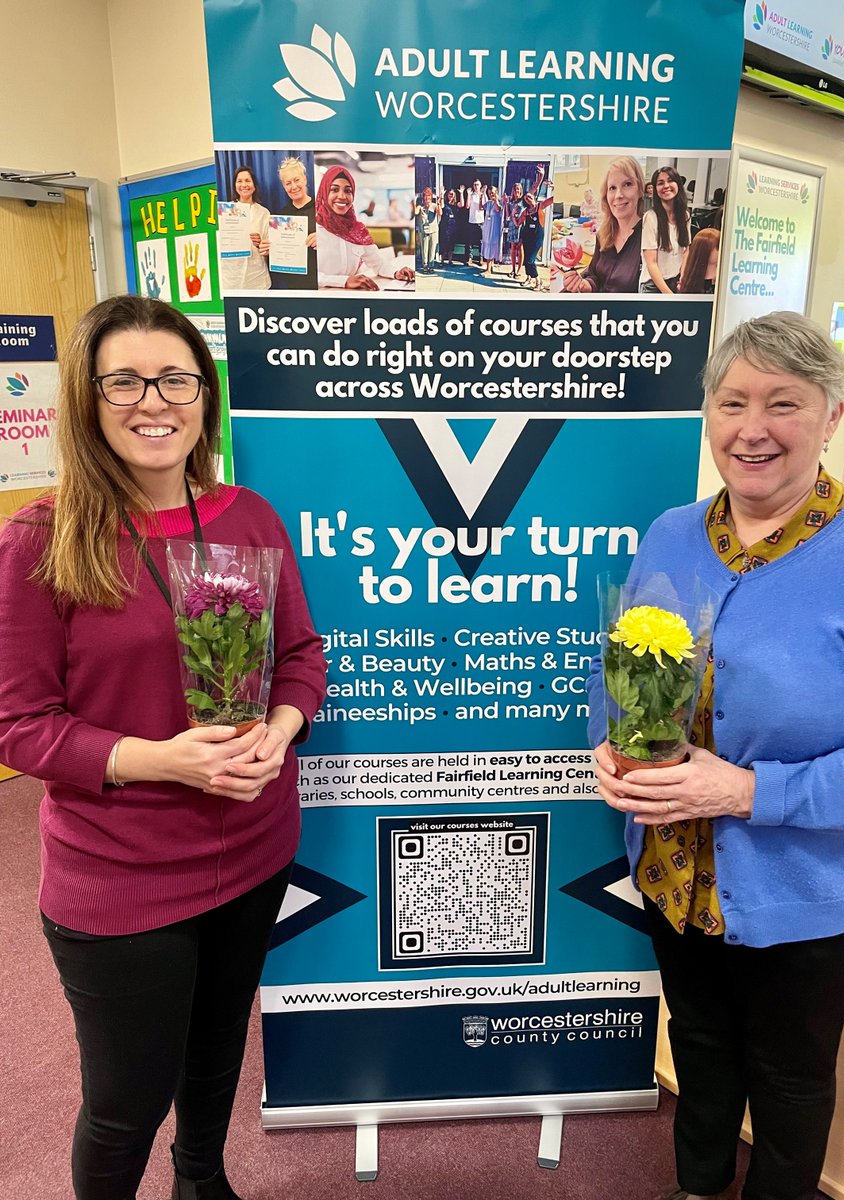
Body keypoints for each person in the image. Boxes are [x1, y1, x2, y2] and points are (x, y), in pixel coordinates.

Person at [0, 295, 327, 1200]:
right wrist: (164, 759)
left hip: (254, 850)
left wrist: (283, 728)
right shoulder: (40, 538)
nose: (155, 400)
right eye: (126, 381)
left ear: (205, 397)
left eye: (176, 378)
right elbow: (17, 725)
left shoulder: (247, 516)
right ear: (88, 399)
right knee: (126, 1101)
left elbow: (300, 657)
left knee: (218, 1055)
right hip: (121, 876)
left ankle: (202, 1183)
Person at [587, 311, 844, 1200]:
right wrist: (615, 748)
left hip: (806, 898)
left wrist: (745, 790)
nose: (751, 428)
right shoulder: (672, 533)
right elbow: (634, 678)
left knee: (792, 1083)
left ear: (832, 414)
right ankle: (695, 1189)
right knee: (701, 1051)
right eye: (731, 402)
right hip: (673, 876)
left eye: (783, 404)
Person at [315, 165, 415, 291]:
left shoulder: (357, 231)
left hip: (351, 299)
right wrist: (343, 281)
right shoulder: (312, 229)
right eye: (334, 190)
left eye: (348, 191)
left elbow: (378, 264)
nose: (342, 196)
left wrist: (396, 273)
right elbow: (303, 276)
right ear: (324, 193)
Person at [562, 156, 644, 294]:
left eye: (627, 184)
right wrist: (584, 285)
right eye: (612, 188)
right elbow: (595, 275)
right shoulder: (603, 234)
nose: (618, 195)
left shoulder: (650, 237)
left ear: (640, 190)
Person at [261, 155, 318, 289]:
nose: (293, 186)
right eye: (288, 183)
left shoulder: (321, 210)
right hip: (292, 285)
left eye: (296, 180)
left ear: (305, 179)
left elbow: (338, 244)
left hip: (320, 284)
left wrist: (324, 238)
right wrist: (269, 249)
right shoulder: (280, 218)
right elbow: (276, 253)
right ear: (283, 186)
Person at [640, 165, 692, 293]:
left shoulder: (685, 215)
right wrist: (669, 296)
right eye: (660, 183)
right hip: (653, 285)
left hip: (675, 281)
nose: (666, 186)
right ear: (655, 189)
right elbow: (651, 263)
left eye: (670, 180)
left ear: (678, 184)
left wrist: (683, 277)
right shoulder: (651, 218)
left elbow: (686, 249)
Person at [219, 165, 270, 291]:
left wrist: (261, 243)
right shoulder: (224, 211)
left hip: (257, 278)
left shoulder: (263, 213)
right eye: (239, 181)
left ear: (254, 185)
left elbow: (270, 245)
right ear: (235, 185)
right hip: (231, 278)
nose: (244, 185)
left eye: (247, 180)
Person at [514, 181, 554, 291]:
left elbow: (552, 200)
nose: (528, 199)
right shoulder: (526, 211)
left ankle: (538, 281)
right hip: (527, 237)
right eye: (526, 199)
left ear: (534, 198)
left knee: (530, 260)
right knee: (526, 258)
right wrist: (513, 216)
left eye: (530, 197)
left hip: (537, 238)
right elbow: (518, 223)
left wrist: (553, 187)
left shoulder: (540, 206)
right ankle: (529, 278)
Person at [678, 228, 720, 294]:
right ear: (705, 251)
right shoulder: (690, 283)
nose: (721, 251)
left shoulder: (724, 280)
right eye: (718, 248)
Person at [414, 187, 440, 275]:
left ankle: (431, 266)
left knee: (432, 249)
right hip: (424, 232)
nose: (427, 199)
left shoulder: (434, 205)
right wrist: (414, 200)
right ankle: (425, 266)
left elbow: (440, 213)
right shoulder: (420, 206)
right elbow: (415, 212)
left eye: (428, 197)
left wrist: (439, 203)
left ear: (431, 197)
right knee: (424, 250)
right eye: (425, 197)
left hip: (433, 231)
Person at [503, 181, 526, 278]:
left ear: (520, 191)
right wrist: (506, 204)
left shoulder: (523, 201)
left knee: (520, 247)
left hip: (521, 225)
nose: (516, 191)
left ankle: (519, 270)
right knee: (513, 247)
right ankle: (512, 269)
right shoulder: (511, 201)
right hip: (512, 225)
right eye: (515, 189)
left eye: (518, 189)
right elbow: (508, 216)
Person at [479, 184, 503, 275]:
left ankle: (488, 269)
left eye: (492, 193)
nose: (491, 195)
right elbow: (481, 207)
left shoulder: (499, 202)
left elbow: (497, 209)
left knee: (491, 246)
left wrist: (496, 199)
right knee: (487, 244)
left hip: (494, 228)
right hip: (487, 227)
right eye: (489, 193)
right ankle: (490, 267)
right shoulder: (488, 203)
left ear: (496, 193)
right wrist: (482, 196)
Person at [438, 188, 464, 265]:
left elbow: (462, 204)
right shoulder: (445, 204)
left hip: (453, 226)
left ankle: (450, 260)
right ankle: (442, 260)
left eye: (452, 194)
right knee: (444, 243)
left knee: (451, 243)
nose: (451, 195)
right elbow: (441, 205)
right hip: (445, 225)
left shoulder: (456, 204)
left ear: (454, 195)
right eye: (449, 194)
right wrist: (442, 194)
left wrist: (461, 193)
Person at [464, 179, 484, 265]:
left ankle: (481, 258)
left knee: (481, 241)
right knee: (470, 241)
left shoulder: (484, 195)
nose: (476, 186)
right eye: (475, 184)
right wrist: (468, 195)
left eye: (477, 185)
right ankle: (470, 258)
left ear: (480, 186)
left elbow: (482, 208)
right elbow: (467, 206)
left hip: (480, 221)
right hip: (471, 221)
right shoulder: (471, 195)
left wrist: (481, 196)